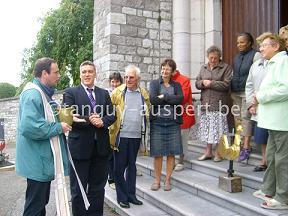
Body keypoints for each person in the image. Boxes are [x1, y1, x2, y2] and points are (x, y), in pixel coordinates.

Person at [16, 57, 72, 216]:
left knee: (40, 204)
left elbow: (44, 117)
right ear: (44, 73)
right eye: (56, 72)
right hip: (37, 161)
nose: (59, 75)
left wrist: (64, 117)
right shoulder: (33, 94)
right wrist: (58, 127)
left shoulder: (41, 92)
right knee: (35, 206)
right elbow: (29, 126)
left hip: (40, 160)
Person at [64, 61, 116, 216]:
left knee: (98, 189)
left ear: (95, 74)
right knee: (78, 190)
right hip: (79, 150)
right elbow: (68, 117)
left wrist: (103, 122)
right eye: (84, 72)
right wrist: (91, 119)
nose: (87, 74)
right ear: (80, 75)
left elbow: (112, 114)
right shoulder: (70, 93)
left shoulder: (103, 93)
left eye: (90, 72)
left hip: (101, 150)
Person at [252, 34, 288, 210]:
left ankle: (283, 198)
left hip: (282, 121)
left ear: (275, 46)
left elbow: (285, 89)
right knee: (273, 158)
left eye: (264, 45)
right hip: (273, 121)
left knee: (283, 160)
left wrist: (260, 96)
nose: (261, 49)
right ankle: (269, 190)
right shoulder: (274, 63)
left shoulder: (283, 62)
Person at [109, 65, 150, 208]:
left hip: (136, 136)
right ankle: (122, 197)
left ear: (138, 78)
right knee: (119, 168)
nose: (127, 79)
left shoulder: (144, 93)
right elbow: (109, 112)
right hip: (121, 136)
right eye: (126, 77)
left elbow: (147, 112)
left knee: (132, 167)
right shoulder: (117, 92)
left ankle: (131, 195)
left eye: (131, 77)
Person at [149, 59, 184, 191]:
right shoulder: (154, 84)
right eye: (163, 68)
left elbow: (180, 99)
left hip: (173, 123)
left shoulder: (177, 85)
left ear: (172, 72)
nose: (165, 71)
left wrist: (163, 96)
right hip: (157, 122)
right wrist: (170, 99)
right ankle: (157, 180)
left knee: (171, 153)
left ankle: (167, 180)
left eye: (168, 69)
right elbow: (153, 100)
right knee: (158, 153)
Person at [195, 46, 232, 162]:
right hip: (206, 104)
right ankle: (208, 152)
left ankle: (219, 153)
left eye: (215, 58)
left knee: (219, 129)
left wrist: (211, 83)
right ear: (208, 57)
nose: (212, 60)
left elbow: (226, 85)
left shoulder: (226, 68)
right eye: (211, 58)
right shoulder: (203, 67)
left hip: (219, 104)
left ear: (219, 57)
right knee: (207, 129)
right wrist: (202, 83)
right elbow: (197, 82)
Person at [231, 32, 261, 163]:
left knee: (246, 118)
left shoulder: (256, 55)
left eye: (242, 42)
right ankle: (239, 143)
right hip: (235, 92)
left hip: (247, 92)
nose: (239, 45)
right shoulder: (237, 57)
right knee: (237, 118)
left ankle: (246, 147)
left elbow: (258, 74)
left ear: (249, 43)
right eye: (238, 42)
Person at [245, 32, 271, 172]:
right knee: (261, 136)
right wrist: (250, 104)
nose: (260, 49)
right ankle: (264, 160)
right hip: (258, 107)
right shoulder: (255, 65)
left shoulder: (278, 63)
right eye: (260, 46)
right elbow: (249, 85)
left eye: (264, 45)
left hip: (272, 106)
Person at [172, 69, 195, 171]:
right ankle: (172, 161)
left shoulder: (184, 80)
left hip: (184, 113)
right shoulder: (165, 80)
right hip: (171, 113)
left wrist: (167, 97)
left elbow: (183, 97)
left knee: (182, 137)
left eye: (168, 69)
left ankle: (181, 160)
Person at [106, 72, 123, 190]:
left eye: (117, 81)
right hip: (110, 127)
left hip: (122, 127)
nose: (114, 83)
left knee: (121, 153)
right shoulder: (107, 94)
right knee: (111, 154)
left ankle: (119, 177)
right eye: (112, 81)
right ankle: (111, 178)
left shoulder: (124, 93)